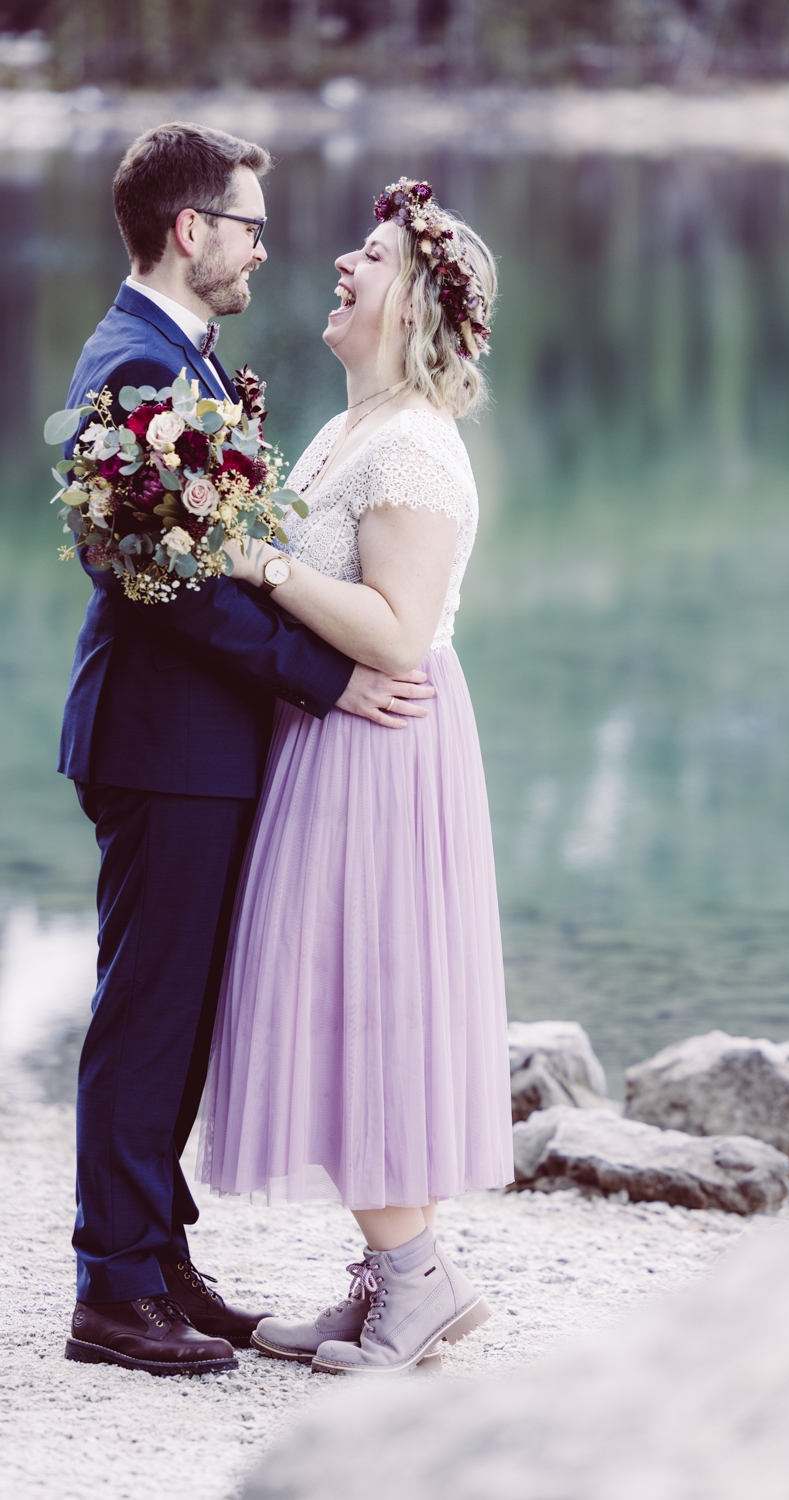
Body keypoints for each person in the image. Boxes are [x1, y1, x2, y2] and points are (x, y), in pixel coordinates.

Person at [60, 125, 434, 1378]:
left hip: (195, 744)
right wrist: (329, 678)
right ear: (192, 230)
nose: (264, 250)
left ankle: (157, 1259)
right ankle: (114, 1288)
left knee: (176, 1018)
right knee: (147, 1016)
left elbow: (208, 555)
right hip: (162, 741)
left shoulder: (180, 358)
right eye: (250, 227)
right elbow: (163, 585)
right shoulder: (136, 366)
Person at [198, 178, 513, 1374]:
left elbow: (399, 631)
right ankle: (397, 1277)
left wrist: (258, 563)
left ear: (415, 303)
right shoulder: (350, 432)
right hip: (332, 735)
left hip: (384, 743)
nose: (341, 263)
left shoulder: (417, 447)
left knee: (365, 995)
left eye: (370, 257)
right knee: (332, 992)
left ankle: (417, 1281)